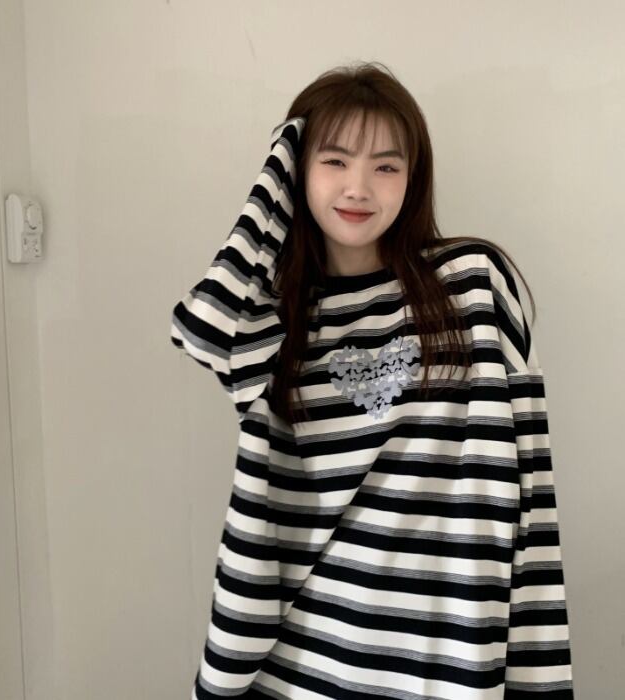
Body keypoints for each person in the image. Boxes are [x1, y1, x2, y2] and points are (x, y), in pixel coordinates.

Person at [170, 61, 574, 699]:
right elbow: (204, 328)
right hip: (305, 660)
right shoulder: (274, 323)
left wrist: (534, 669)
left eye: (386, 166)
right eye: (333, 160)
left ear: (413, 179)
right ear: (296, 170)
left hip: (446, 655)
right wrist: (281, 163)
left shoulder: (471, 284)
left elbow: (527, 486)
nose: (358, 187)